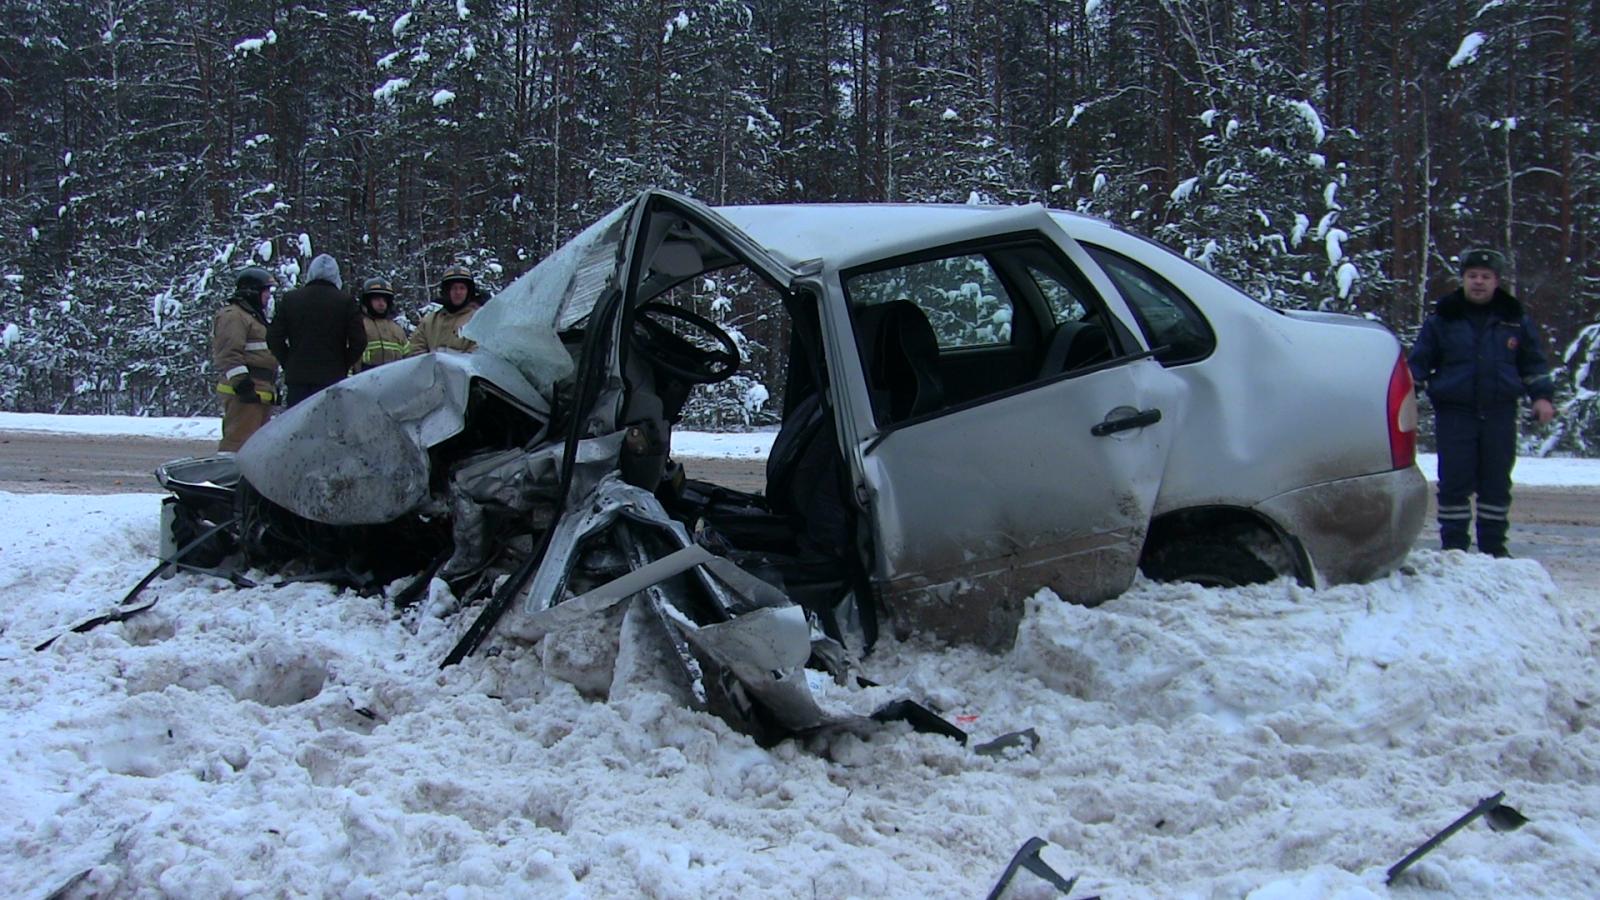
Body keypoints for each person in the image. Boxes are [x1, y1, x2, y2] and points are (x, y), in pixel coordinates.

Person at [1408, 248, 1556, 557]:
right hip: (1455, 413)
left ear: (1496, 281)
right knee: (1454, 482)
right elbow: (1420, 363)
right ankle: (1454, 550)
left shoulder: (1514, 319)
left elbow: (1533, 363)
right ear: (1462, 279)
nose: (1478, 282)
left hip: (1500, 412)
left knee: (1496, 483)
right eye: (1472, 276)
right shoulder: (1442, 319)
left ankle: (1493, 549)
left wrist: (1541, 397)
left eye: (1485, 277)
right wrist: (1407, 395)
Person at [266, 253, 365, 406]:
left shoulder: (290, 300)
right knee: (328, 425)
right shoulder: (346, 302)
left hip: (298, 379)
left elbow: (273, 337)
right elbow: (359, 340)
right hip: (332, 377)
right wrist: (343, 364)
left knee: (299, 426)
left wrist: (289, 361)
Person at [213, 267, 280, 452]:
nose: (268, 296)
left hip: (259, 391)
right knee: (238, 446)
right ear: (252, 291)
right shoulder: (234, 316)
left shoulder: (252, 317)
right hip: (244, 393)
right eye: (265, 291)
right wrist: (242, 384)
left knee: (255, 449)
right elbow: (228, 354)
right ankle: (230, 479)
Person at [408, 264, 481, 356]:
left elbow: (480, 352)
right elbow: (415, 349)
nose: (458, 292)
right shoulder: (429, 322)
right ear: (446, 291)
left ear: (469, 291)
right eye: (454, 288)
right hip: (431, 370)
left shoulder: (478, 320)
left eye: (462, 288)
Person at [352, 276, 410, 372]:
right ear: (367, 301)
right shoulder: (358, 326)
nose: (381, 303)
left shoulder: (398, 330)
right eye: (377, 299)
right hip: (365, 382)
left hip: (395, 382)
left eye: (384, 300)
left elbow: (409, 358)